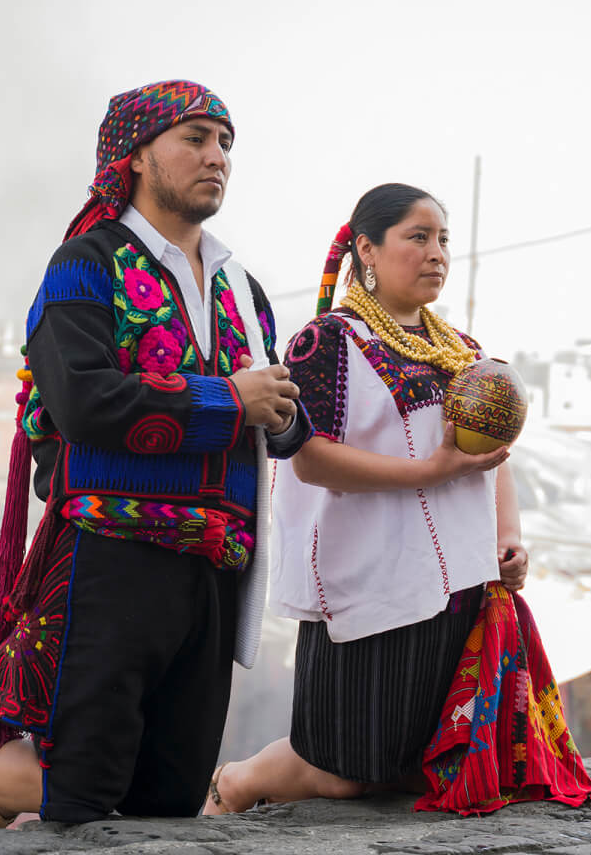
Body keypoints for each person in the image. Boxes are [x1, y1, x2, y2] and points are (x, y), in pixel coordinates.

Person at [0, 80, 310, 831]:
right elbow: (83, 403)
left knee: (168, 797)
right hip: (112, 551)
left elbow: (276, 420)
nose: (217, 157)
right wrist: (230, 401)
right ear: (136, 156)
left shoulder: (244, 288)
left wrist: (289, 413)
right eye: (195, 138)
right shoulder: (84, 264)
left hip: (217, 563)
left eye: (226, 143)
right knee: (82, 786)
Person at [202, 183, 528, 814]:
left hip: (457, 583)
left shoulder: (462, 350)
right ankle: (236, 782)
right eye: (417, 237)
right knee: (344, 765)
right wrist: (430, 471)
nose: (436, 253)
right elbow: (313, 458)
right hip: (370, 579)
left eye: (442, 240)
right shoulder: (326, 343)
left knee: (411, 767)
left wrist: (505, 539)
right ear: (367, 250)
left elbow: (494, 458)